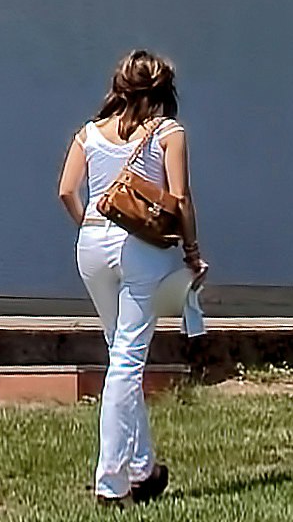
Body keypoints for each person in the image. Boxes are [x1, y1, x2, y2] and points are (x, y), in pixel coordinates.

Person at [56, 48, 207, 505]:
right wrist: (193, 251)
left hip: (92, 244)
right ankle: (110, 481)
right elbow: (179, 200)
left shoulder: (88, 133)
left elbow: (66, 191)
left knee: (118, 351)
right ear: (163, 90)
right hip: (140, 251)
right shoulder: (167, 132)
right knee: (126, 362)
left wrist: (91, 225)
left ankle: (143, 468)